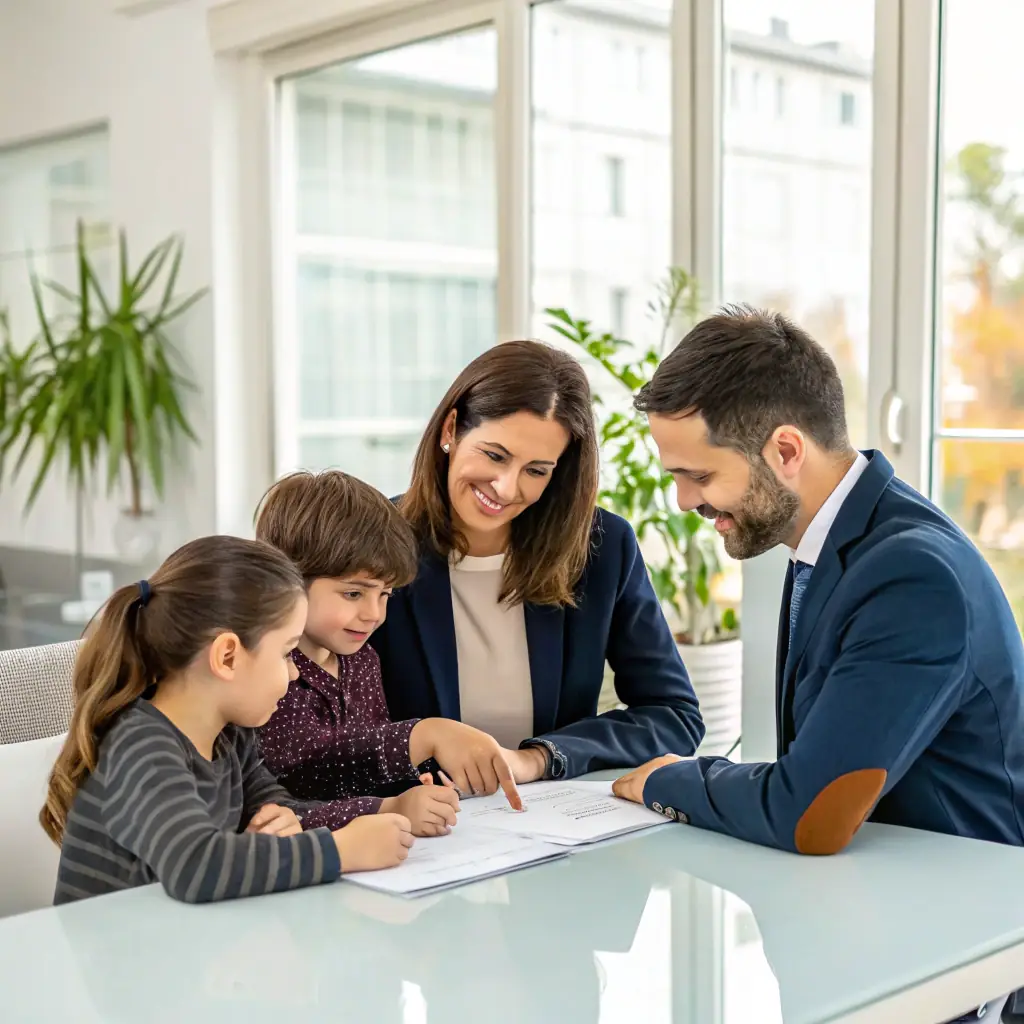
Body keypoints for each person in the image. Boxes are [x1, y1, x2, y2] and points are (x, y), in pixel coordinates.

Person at [611, 306, 1024, 1021]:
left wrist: (670, 778)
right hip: (873, 917)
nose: (683, 501)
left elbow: (812, 813)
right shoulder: (833, 547)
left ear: (785, 451)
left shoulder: (910, 575)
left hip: (956, 962)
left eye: (698, 474)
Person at [371, 338, 705, 784]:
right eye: (495, 455)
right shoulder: (373, 543)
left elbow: (673, 716)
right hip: (411, 824)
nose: (507, 488)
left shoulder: (604, 549)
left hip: (548, 824)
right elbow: (321, 735)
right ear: (450, 430)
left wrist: (540, 758)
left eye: (536, 470)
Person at [42, 535, 415, 905]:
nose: (294, 673)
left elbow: (274, 803)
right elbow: (195, 866)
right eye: (287, 653)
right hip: (114, 958)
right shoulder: (141, 745)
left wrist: (287, 821)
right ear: (227, 657)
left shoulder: (230, 736)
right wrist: (339, 850)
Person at [254, 469, 523, 828]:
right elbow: (305, 770)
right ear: (287, 578)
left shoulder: (363, 660)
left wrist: (417, 787)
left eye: (385, 594)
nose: (374, 614)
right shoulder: (267, 669)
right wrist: (419, 740)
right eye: (354, 593)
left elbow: (368, 770)